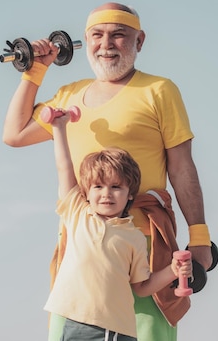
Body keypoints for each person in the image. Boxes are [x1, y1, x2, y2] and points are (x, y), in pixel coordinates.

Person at [3, 2, 213, 341]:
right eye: (97, 35)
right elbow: (14, 134)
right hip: (83, 248)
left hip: (143, 243)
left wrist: (200, 237)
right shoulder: (69, 94)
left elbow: (182, 165)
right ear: (86, 40)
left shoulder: (159, 90)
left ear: (139, 41)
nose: (107, 44)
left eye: (119, 35)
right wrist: (35, 71)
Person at [44, 108, 192, 340]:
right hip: (76, 325)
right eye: (98, 187)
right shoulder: (77, 213)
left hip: (118, 330)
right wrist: (59, 127)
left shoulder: (133, 237)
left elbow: (142, 286)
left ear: (129, 195)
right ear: (86, 191)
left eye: (116, 187)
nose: (106, 194)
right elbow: (64, 167)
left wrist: (173, 271)